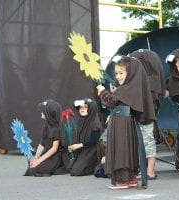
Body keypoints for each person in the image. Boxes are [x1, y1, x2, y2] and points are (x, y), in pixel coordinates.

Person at [97, 56, 155, 189]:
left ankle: (122, 180)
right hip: (125, 123)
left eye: (121, 73)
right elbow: (117, 101)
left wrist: (102, 92)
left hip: (122, 124)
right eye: (116, 73)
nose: (118, 76)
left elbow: (111, 101)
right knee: (128, 150)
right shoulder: (129, 88)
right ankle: (130, 178)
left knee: (121, 150)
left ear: (131, 73)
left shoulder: (127, 88)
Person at [128, 49, 166, 180]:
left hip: (146, 117)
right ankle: (145, 170)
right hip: (141, 116)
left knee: (148, 141)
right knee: (143, 141)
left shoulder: (150, 82)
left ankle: (150, 171)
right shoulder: (142, 80)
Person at [24, 99, 66, 176]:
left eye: (43, 111)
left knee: (35, 169)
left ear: (49, 114)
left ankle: (59, 166)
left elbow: (54, 149)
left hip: (55, 158)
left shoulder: (56, 129)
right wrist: (36, 157)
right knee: (32, 166)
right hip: (46, 154)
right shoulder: (46, 126)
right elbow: (41, 144)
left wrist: (39, 161)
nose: (41, 112)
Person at [67, 98, 103, 176]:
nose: (82, 109)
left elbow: (94, 140)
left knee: (76, 171)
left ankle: (94, 165)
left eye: (85, 107)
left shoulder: (95, 121)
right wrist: (73, 146)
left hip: (92, 150)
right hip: (82, 149)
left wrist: (78, 145)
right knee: (69, 167)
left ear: (91, 109)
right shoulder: (81, 120)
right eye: (80, 107)